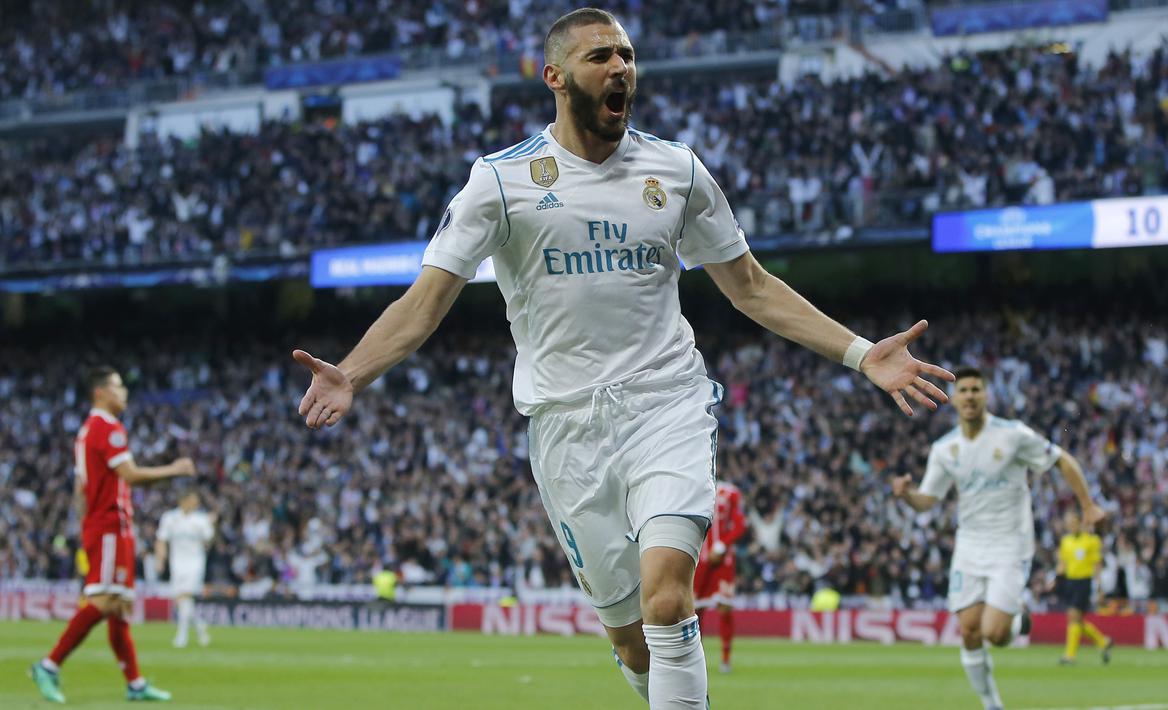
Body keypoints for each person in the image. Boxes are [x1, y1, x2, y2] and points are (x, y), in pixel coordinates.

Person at [292, 9, 952, 708]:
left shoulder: (676, 169)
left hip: (665, 404)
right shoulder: (500, 181)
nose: (620, 69)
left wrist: (858, 353)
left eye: (627, 56)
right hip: (565, 427)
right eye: (600, 56)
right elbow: (425, 302)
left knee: (667, 599)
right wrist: (353, 370)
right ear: (555, 77)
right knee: (632, 639)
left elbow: (751, 287)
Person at [892, 366, 1107, 710]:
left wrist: (1088, 506)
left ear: (986, 394)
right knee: (970, 630)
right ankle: (992, 705)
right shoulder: (945, 449)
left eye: (977, 389)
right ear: (955, 398)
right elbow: (927, 501)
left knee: (995, 632)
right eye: (964, 390)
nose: (971, 396)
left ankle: (1018, 618)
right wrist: (906, 495)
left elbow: (1061, 460)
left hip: (1010, 543)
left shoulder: (1012, 435)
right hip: (970, 545)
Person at [30, 366, 195, 704]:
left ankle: (135, 684)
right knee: (104, 601)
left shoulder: (86, 432)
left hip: (104, 525)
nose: (125, 393)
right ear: (100, 392)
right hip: (108, 525)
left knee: (118, 606)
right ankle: (49, 665)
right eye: (118, 387)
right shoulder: (107, 428)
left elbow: (80, 487)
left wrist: (85, 524)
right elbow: (130, 476)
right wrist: (175, 470)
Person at [693, 480, 746, 674]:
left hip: (723, 561)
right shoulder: (692, 485)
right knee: (694, 611)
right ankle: (697, 661)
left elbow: (740, 525)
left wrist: (723, 544)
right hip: (699, 559)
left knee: (724, 607)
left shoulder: (730, 492)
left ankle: (725, 659)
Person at [155, 489, 215, 648]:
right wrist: (160, 560)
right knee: (180, 601)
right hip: (177, 563)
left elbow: (208, 542)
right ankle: (200, 626)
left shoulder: (201, 519)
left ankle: (182, 636)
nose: (196, 503)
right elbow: (161, 539)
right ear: (184, 500)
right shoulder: (170, 518)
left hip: (195, 562)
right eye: (193, 499)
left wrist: (212, 525)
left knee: (185, 596)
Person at [1056, 510, 1113, 665]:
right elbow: (1062, 563)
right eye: (1068, 524)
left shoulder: (1092, 541)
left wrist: (1099, 587)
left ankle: (1070, 656)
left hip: (1084, 582)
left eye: (1073, 523)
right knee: (1077, 620)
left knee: (1073, 617)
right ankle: (1103, 642)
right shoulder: (1065, 541)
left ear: (1080, 523)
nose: (1071, 526)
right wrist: (1055, 579)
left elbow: (1097, 565)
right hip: (1069, 582)